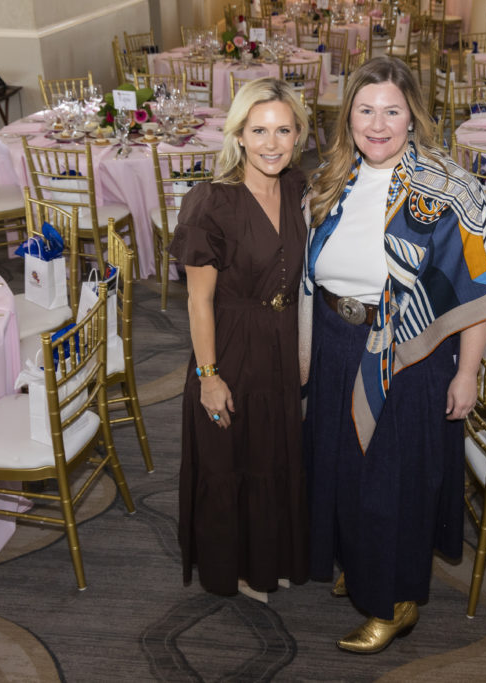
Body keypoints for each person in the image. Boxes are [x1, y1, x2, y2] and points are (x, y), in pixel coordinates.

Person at [299, 56, 486, 653]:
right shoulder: (332, 178)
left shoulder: (448, 188)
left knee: (390, 483)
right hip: (336, 343)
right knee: (343, 466)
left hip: (409, 357)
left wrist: (468, 371)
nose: (378, 124)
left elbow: (478, 292)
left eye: (391, 111)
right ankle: (360, 565)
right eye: (366, 110)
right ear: (348, 115)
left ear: (412, 116)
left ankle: (393, 601)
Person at [169, 77, 310, 601]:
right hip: (230, 343)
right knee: (232, 458)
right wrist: (208, 377)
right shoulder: (212, 202)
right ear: (239, 136)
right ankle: (237, 566)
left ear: (298, 135)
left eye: (283, 130)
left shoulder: (299, 189)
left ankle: (267, 557)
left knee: (273, 454)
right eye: (259, 130)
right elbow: (197, 301)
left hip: (282, 339)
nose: (271, 143)